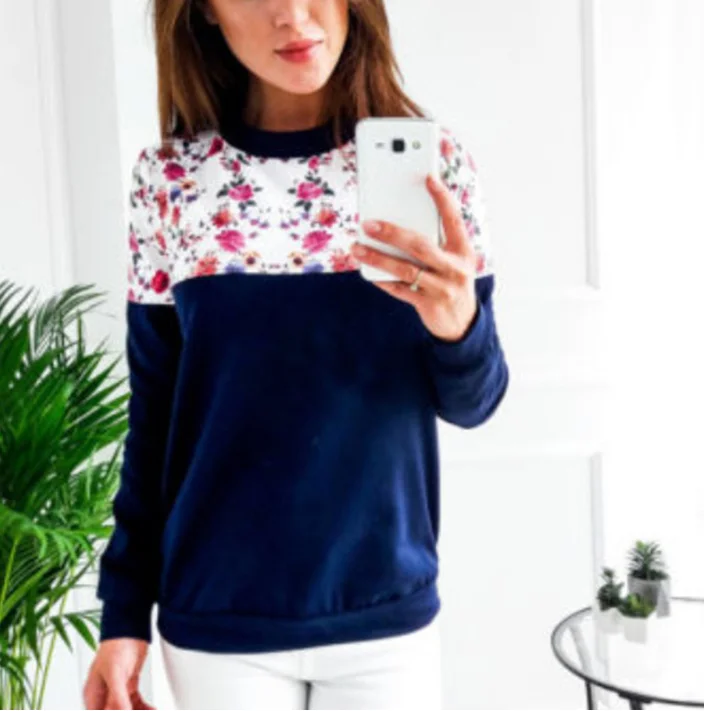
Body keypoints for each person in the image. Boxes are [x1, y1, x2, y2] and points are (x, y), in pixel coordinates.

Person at [82, 0, 510, 708]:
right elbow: (154, 414)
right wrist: (123, 614)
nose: (292, 14)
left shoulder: (437, 171)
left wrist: (457, 323)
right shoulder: (170, 180)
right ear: (206, 11)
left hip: (385, 615)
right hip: (217, 621)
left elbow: (476, 404)